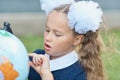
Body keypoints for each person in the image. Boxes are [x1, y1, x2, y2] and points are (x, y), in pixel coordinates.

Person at [28, 0, 105, 80]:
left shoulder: (79, 75)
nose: (48, 38)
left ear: (77, 39)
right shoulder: (35, 58)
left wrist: (47, 77)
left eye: (57, 34)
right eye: (47, 30)